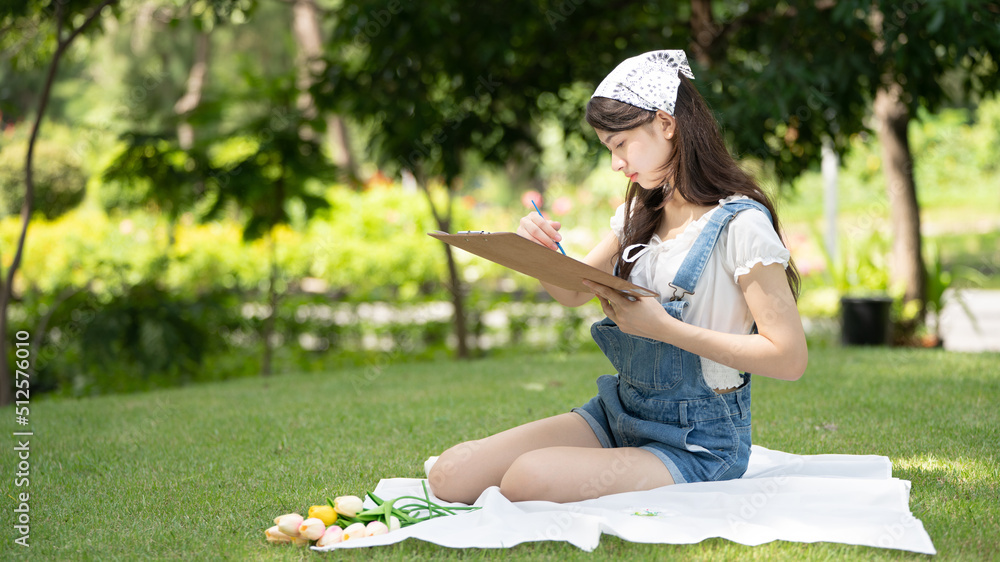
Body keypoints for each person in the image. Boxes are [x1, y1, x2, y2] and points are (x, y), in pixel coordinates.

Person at [428, 50, 808, 505]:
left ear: (666, 124)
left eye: (620, 144)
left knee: (527, 479)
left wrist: (664, 328)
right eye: (609, 148)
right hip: (620, 413)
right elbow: (572, 290)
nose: (615, 164)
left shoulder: (742, 225)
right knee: (450, 474)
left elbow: (789, 358)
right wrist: (536, 253)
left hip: (698, 443)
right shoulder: (640, 213)